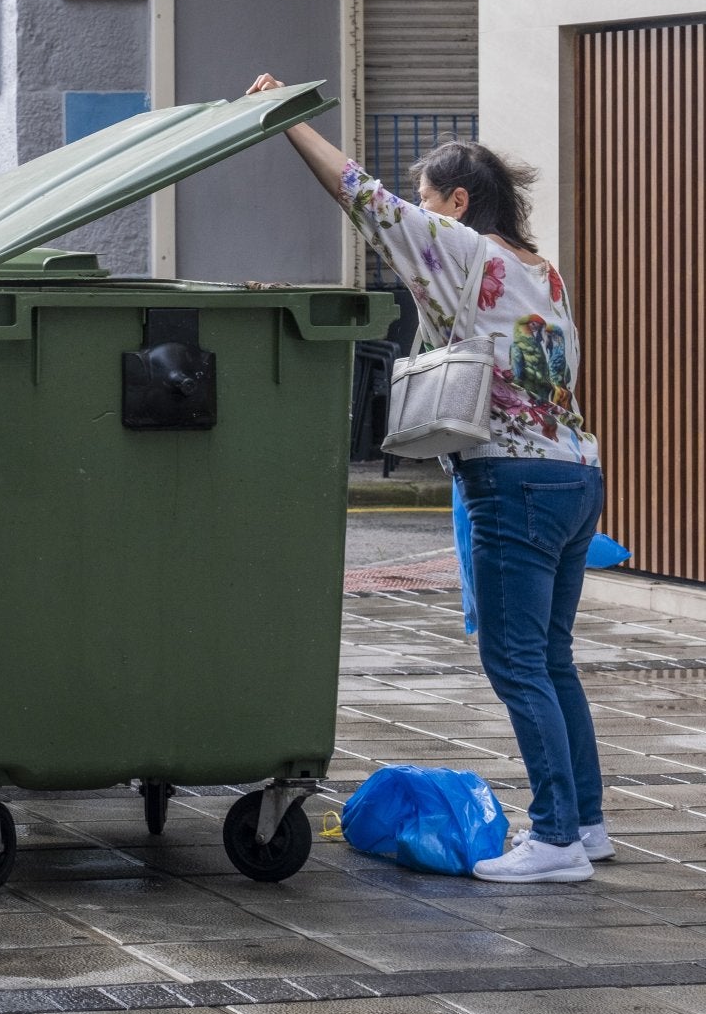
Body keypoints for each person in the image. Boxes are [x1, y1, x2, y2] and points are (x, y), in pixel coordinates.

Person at [250, 73, 607, 884]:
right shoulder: (541, 270)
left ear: (455, 202)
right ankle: (585, 825)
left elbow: (358, 194)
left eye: (428, 200)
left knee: (516, 661)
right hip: (575, 474)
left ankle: (555, 839)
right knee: (551, 659)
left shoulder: (459, 248)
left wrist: (286, 122)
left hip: (511, 478)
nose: (420, 212)